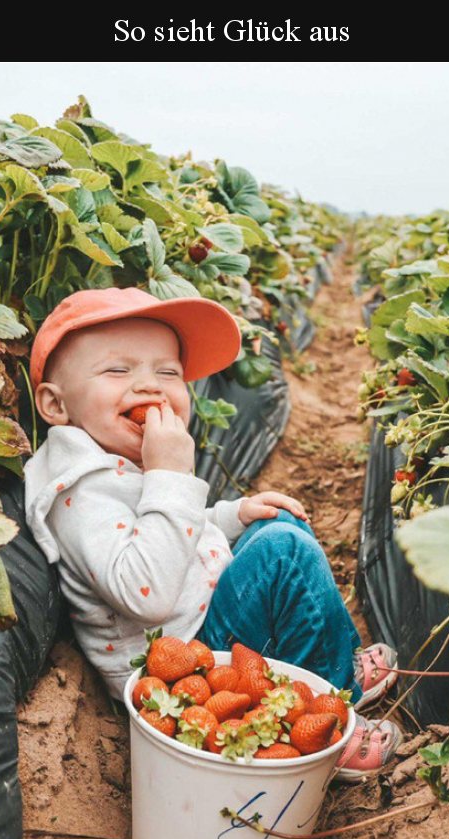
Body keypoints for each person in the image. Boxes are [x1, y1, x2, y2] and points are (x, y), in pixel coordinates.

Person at [25, 287, 401, 780]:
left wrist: (231, 515)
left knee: (275, 526)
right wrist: (171, 475)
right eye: (118, 370)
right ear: (55, 405)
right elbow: (148, 594)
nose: (150, 387)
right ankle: (324, 728)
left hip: (196, 620)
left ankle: (334, 671)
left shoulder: (112, 457)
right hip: (180, 668)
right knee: (282, 552)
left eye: (168, 372)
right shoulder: (78, 494)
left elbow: (171, 529)